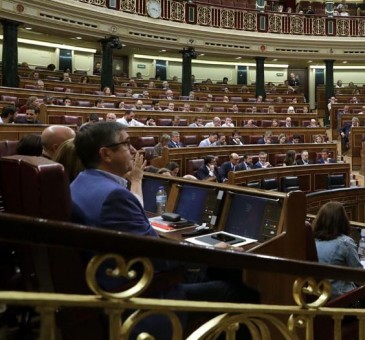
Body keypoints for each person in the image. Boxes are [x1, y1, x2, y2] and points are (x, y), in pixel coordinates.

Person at [70, 122, 248, 337]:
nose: (134, 150)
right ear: (106, 154)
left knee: (207, 271)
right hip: (140, 296)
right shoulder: (114, 196)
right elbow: (158, 257)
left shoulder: (79, 183)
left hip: (111, 281)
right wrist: (212, 250)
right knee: (234, 290)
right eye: (126, 143)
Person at [313, 202, 365, 298]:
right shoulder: (345, 243)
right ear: (343, 221)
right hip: (342, 300)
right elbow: (361, 279)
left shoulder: (312, 241)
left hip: (319, 297)